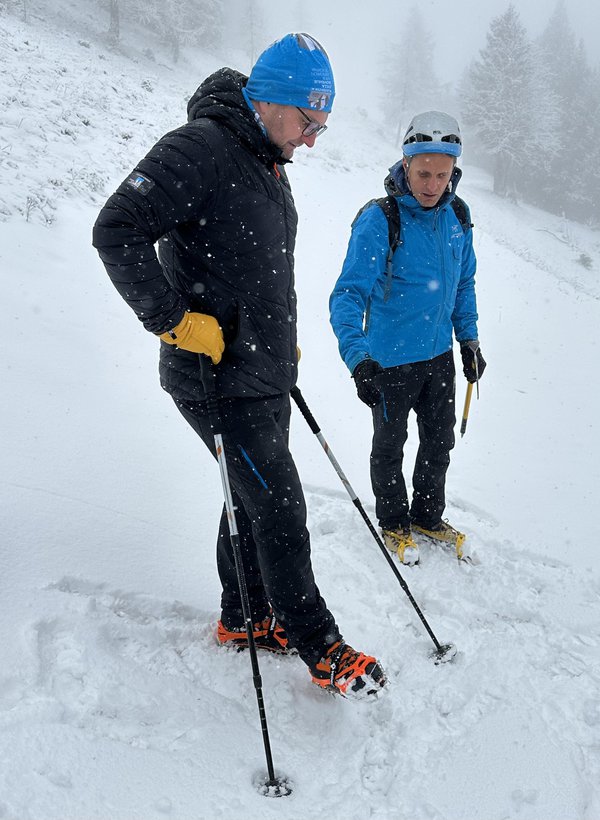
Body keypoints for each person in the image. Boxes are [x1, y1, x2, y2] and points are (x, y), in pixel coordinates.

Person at [92, 33, 386, 701]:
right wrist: (172, 320)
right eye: (308, 122)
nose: (313, 139)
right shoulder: (202, 148)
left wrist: (281, 345)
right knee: (278, 507)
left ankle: (247, 617)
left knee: (254, 501)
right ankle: (321, 646)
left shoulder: (266, 161)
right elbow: (116, 229)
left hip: (262, 371)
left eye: (322, 126)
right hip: (214, 377)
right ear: (271, 101)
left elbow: (253, 269)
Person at [329, 111, 486, 566]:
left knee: (439, 444)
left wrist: (469, 340)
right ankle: (394, 523)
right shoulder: (381, 220)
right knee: (390, 446)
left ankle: (427, 517)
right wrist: (359, 359)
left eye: (442, 174)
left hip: (438, 358)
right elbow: (347, 294)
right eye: (423, 173)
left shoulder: (458, 215)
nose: (432, 184)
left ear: (453, 171)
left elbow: (463, 284)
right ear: (405, 163)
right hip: (389, 362)